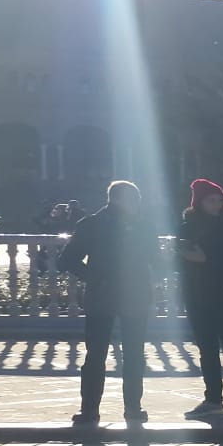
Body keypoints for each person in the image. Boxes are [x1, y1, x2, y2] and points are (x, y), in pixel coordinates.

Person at [59, 180, 156, 426]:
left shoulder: (101, 224)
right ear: (118, 200)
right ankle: (109, 409)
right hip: (113, 296)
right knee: (104, 355)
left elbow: (156, 260)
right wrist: (94, 277)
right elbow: (66, 260)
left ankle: (111, 409)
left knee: (125, 355)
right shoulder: (95, 224)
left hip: (119, 296)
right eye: (135, 199)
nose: (138, 204)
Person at [178, 179, 223, 422]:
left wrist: (206, 260)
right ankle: (213, 400)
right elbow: (180, 262)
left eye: (219, 200)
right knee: (206, 349)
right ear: (199, 202)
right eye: (211, 200)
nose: (217, 204)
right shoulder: (187, 227)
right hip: (198, 295)